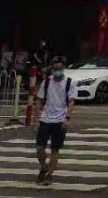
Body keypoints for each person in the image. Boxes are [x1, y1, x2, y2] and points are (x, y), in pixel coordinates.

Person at [35, 56, 74, 186]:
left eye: (60, 69)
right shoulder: (46, 82)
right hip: (45, 119)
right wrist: (38, 117)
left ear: (63, 69)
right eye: (55, 69)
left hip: (60, 120)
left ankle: (50, 175)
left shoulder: (69, 83)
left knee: (55, 149)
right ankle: (44, 166)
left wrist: (66, 118)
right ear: (52, 69)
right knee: (40, 148)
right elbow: (39, 100)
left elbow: (71, 102)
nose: (57, 71)